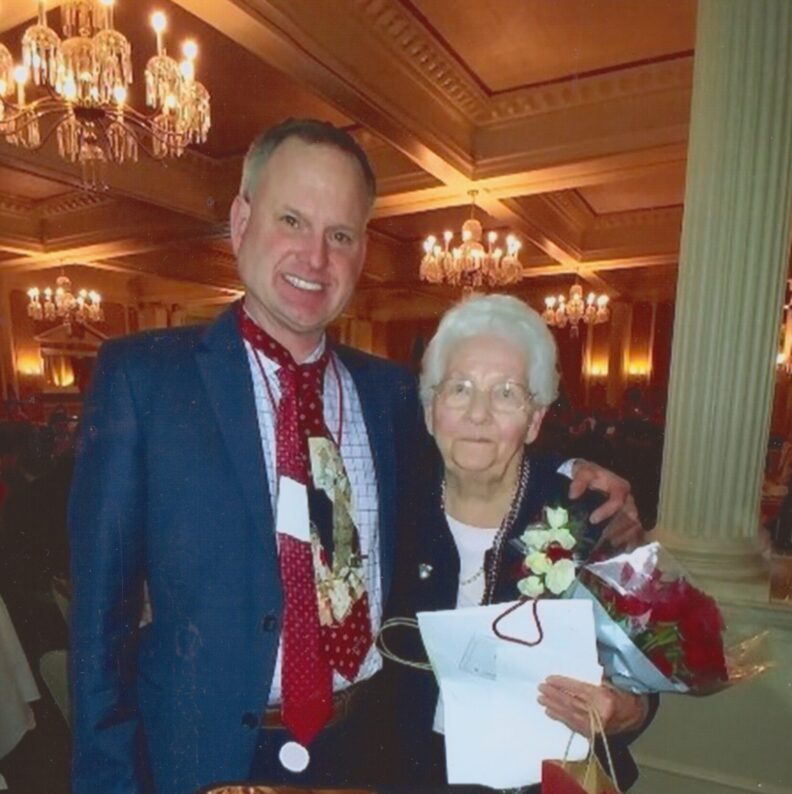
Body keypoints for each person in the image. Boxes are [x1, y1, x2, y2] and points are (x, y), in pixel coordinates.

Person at [69, 119, 640, 794]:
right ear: (242, 220)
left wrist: (575, 474)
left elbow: (482, 451)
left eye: (339, 235)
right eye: (291, 220)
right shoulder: (146, 380)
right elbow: (99, 625)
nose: (315, 258)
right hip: (202, 758)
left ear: (362, 250)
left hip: (369, 750)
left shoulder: (392, 396)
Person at [385, 294, 657, 792]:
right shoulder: (392, 507)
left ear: (534, 420)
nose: (479, 413)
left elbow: (649, 669)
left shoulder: (593, 517)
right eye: (459, 388)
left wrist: (626, 710)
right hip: (412, 775)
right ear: (430, 411)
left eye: (506, 393)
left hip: (546, 780)